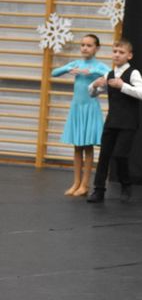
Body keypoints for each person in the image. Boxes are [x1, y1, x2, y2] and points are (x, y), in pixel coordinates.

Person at [86, 39, 142, 203]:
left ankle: (126, 185)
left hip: (128, 122)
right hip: (112, 121)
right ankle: (99, 190)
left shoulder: (133, 73)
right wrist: (94, 85)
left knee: (120, 155)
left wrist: (122, 86)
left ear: (129, 55)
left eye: (121, 52)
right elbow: (92, 93)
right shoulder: (109, 74)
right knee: (104, 156)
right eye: (115, 51)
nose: (117, 55)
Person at [51, 34, 110, 196]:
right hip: (77, 109)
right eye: (83, 45)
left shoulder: (99, 65)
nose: (85, 48)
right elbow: (54, 73)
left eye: (89, 45)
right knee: (77, 146)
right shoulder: (76, 63)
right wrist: (68, 69)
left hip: (90, 109)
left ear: (97, 48)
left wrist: (92, 71)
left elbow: (111, 75)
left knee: (88, 147)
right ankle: (76, 182)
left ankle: (85, 184)